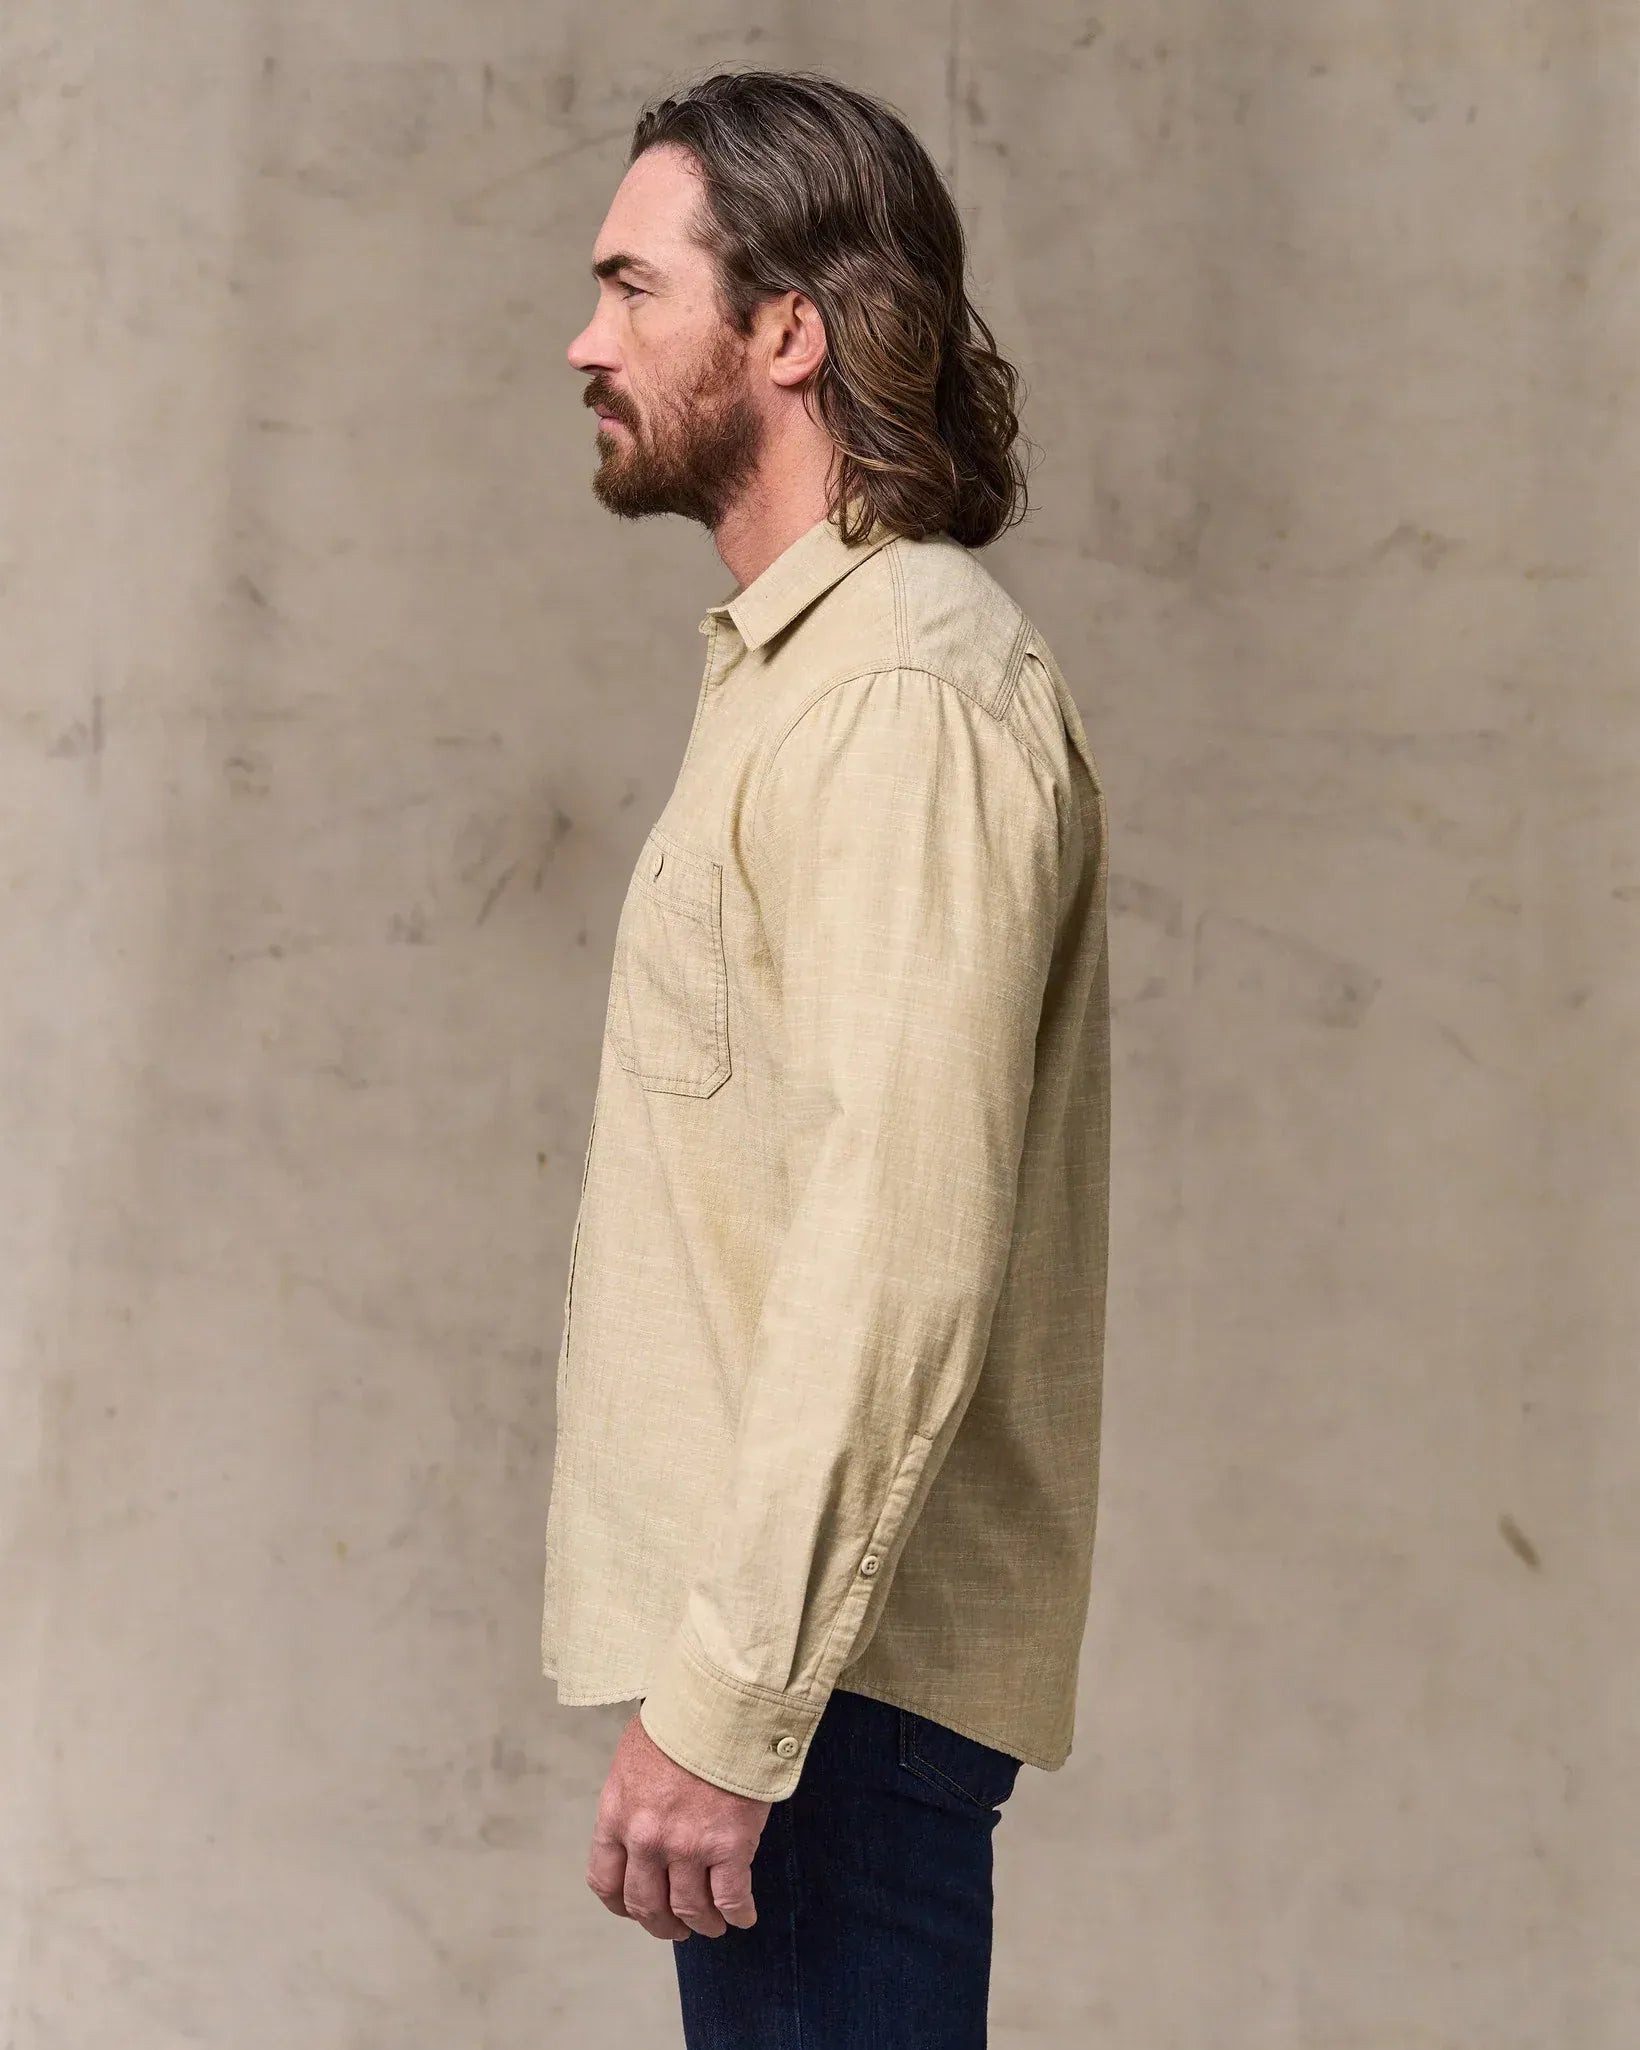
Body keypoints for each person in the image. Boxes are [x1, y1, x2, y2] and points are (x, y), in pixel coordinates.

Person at [544, 66, 1111, 2049]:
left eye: (632, 286)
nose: (585, 340)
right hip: (807, 1685)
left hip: (824, 1703)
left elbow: (897, 1246)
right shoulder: (812, 682)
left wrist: (732, 1705)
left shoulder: (900, 697)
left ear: (786, 330)